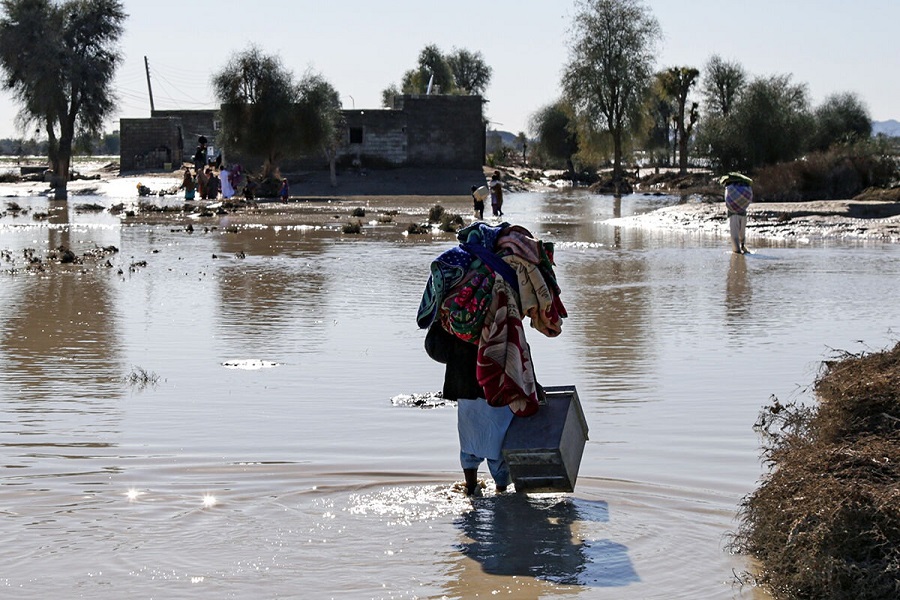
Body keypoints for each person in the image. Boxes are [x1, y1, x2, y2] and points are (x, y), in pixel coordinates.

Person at [418, 222, 568, 496]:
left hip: (464, 383)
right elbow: (518, 350)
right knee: (500, 445)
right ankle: (501, 492)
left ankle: (470, 488)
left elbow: (437, 345)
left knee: (469, 443)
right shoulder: (504, 301)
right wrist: (534, 385)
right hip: (497, 383)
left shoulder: (464, 297)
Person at [720, 172, 753, 253]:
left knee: (734, 233)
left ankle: (737, 250)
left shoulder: (730, 188)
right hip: (742, 212)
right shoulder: (744, 187)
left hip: (733, 213)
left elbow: (728, 199)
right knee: (742, 231)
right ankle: (742, 246)